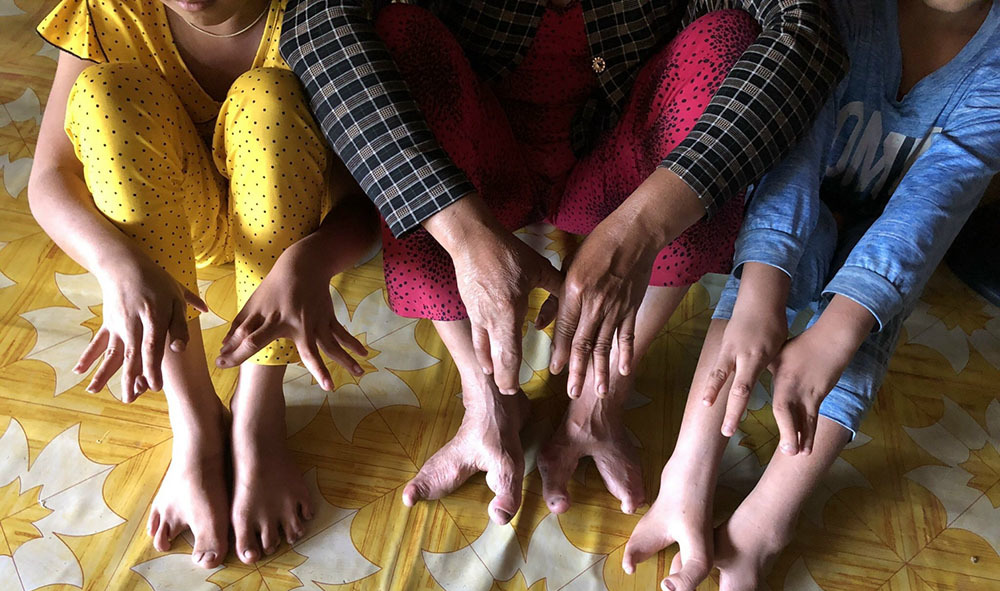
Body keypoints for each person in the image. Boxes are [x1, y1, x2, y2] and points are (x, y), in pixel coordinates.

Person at [250, 0, 846, 525]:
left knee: (725, 38)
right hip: (480, 166)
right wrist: (463, 233)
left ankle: (597, 407)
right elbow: (316, 23)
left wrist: (640, 229)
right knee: (401, 35)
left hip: (619, 166)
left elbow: (806, 28)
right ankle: (488, 404)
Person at [623, 0, 1000, 591]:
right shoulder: (844, 12)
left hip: (890, 228)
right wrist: (761, 292)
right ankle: (687, 470)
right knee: (770, 276)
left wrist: (836, 333)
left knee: (872, 305)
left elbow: (930, 208)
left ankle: (768, 520)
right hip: (793, 199)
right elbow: (794, 153)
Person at [28, 0, 377, 569]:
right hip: (175, 231)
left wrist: (312, 260)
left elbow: (365, 194)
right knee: (104, 93)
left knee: (271, 96)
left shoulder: (319, 12)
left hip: (290, 231)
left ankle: (258, 413)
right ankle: (194, 421)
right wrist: (114, 263)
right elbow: (49, 178)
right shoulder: (109, 10)